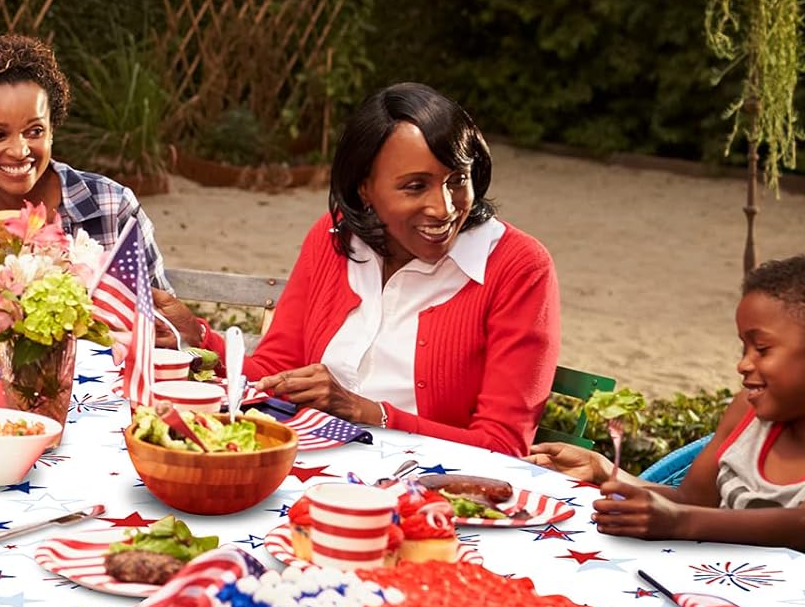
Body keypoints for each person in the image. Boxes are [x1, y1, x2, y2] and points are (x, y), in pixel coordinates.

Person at [175, 83, 559, 454]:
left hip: (430, 489)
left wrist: (368, 413)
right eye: (415, 186)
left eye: (457, 180)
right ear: (364, 189)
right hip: (314, 468)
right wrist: (196, 338)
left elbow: (502, 445)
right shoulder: (334, 237)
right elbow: (276, 372)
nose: (444, 208)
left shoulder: (518, 267)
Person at [530, 252, 805, 573]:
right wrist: (604, 471)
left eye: (762, 349)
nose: (743, 364)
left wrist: (678, 522)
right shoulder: (747, 413)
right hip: (708, 596)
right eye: (743, 348)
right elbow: (691, 502)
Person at [0, 34, 172, 289]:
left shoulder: (112, 206)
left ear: (52, 129)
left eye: (35, 131)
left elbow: (157, 310)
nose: (19, 151)